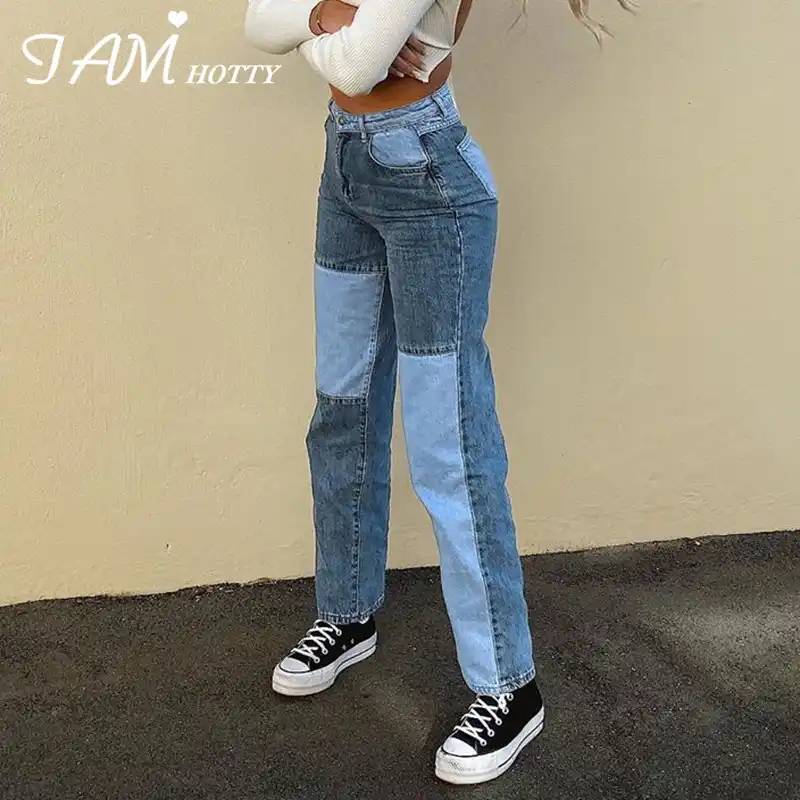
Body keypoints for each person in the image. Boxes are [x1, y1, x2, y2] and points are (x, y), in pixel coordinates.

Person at [243, 0, 627, 784]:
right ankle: (347, 615)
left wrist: (311, 23)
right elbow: (257, 22)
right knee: (341, 412)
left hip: (427, 182)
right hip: (345, 169)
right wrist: (333, 15)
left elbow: (353, 66)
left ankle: (509, 687)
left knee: (449, 443)